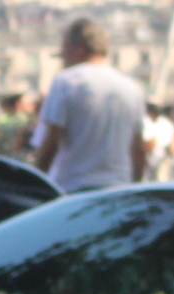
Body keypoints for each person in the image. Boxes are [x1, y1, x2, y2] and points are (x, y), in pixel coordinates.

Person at [33, 18, 147, 192]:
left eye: (64, 51)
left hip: (73, 189)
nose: (62, 59)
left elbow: (50, 144)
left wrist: (34, 189)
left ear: (79, 49)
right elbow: (138, 149)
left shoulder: (66, 82)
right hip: (118, 189)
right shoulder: (131, 87)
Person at [141, 103, 174, 181]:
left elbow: (152, 143)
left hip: (162, 160)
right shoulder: (166, 123)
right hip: (163, 159)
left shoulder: (156, 123)